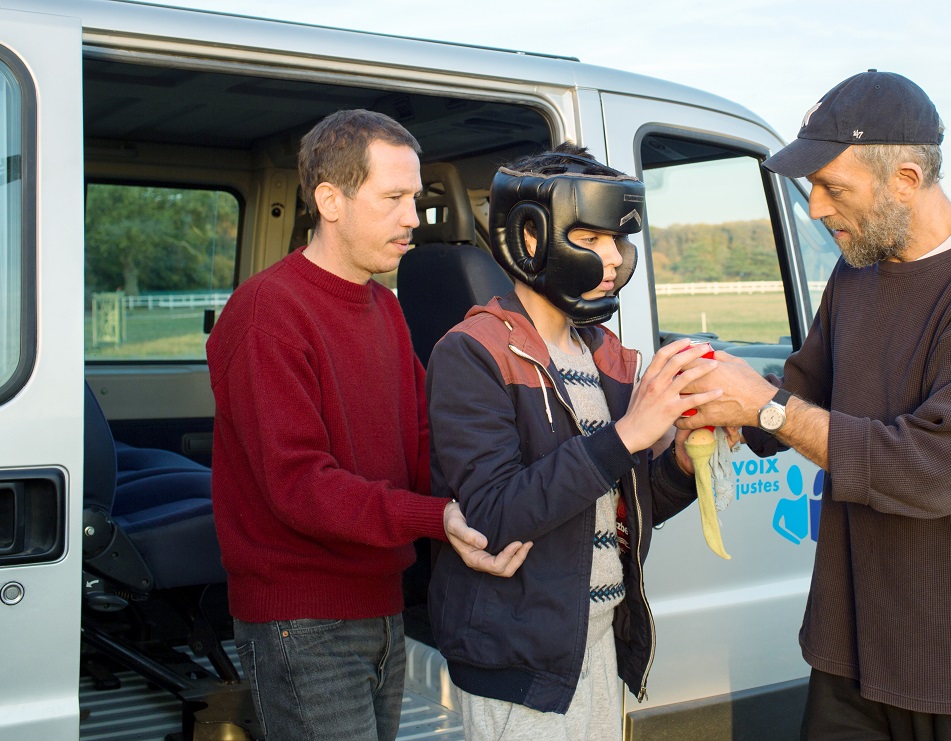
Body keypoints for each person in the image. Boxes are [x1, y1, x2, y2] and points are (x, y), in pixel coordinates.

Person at [678, 70, 951, 740]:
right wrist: (723, 405)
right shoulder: (857, 270)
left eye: (830, 186)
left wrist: (770, 411)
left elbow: (929, 470)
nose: (813, 207)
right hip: (852, 647)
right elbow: (803, 386)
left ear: (903, 178)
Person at [207, 109, 530, 741]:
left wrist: (494, 501)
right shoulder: (267, 313)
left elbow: (421, 440)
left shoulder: (383, 305)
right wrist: (434, 518)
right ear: (330, 200)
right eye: (393, 198)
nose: (413, 217)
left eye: (415, 198)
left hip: (380, 604)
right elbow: (300, 485)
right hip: (301, 622)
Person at [425, 143, 719, 740]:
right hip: (522, 659)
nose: (614, 258)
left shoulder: (603, 354)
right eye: (591, 237)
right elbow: (495, 514)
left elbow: (618, 509)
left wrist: (683, 466)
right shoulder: (473, 352)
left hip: (593, 642)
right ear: (530, 239)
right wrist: (630, 433)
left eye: (619, 239)